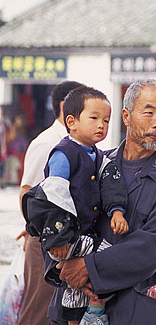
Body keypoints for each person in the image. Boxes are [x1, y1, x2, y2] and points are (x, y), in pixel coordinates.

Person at [46, 79, 156, 325]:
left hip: (132, 310)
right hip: (72, 303)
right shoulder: (95, 163)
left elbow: (148, 250)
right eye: (149, 113)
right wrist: (61, 265)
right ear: (126, 116)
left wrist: (87, 269)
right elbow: (54, 211)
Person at [23, 85, 129, 325]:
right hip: (66, 235)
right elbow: (55, 194)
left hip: (85, 234)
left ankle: (90, 311)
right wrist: (59, 238)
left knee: (92, 270)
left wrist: (117, 211)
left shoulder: (99, 156)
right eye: (94, 118)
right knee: (85, 270)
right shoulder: (63, 153)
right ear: (71, 121)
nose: (101, 125)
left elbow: (111, 183)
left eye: (106, 120)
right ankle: (89, 314)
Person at [17, 80, 83, 325]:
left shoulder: (76, 141)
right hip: (46, 244)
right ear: (67, 106)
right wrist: (39, 232)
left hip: (65, 243)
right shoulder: (48, 142)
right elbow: (26, 192)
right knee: (37, 311)